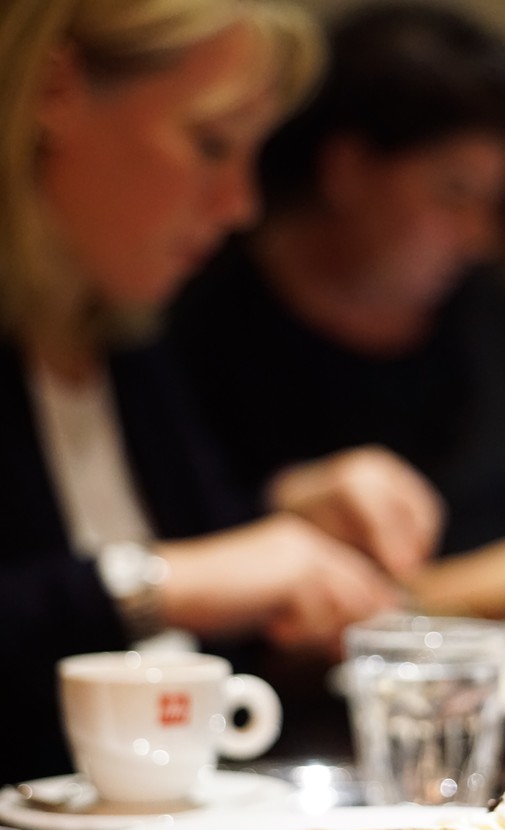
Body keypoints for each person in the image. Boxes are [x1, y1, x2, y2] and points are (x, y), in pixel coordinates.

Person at [0, 0, 447, 784]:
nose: (240, 204)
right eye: (211, 144)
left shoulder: (126, 341)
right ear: (57, 92)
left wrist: (300, 510)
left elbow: (203, 568)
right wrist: (161, 584)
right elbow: (170, 578)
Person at [169, 0, 505, 623]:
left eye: (496, 200)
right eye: (454, 193)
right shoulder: (192, 336)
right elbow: (215, 608)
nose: (480, 237)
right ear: (346, 169)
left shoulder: (497, 322)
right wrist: (462, 593)